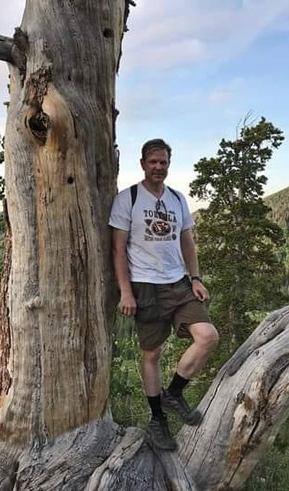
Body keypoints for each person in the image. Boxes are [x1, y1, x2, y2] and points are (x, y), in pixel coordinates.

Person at [109, 138, 219, 450]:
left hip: (178, 283)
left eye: (163, 162)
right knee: (152, 354)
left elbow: (187, 242)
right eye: (153, 162)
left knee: (208, 336)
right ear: (143, 164)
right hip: (145, 286)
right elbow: (118, 250)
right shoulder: (128, 199)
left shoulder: (177, 199)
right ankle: (158, 419)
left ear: (169, 164)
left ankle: (174, 393)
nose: (158, 167)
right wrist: (126, 292)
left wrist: (195, 278)